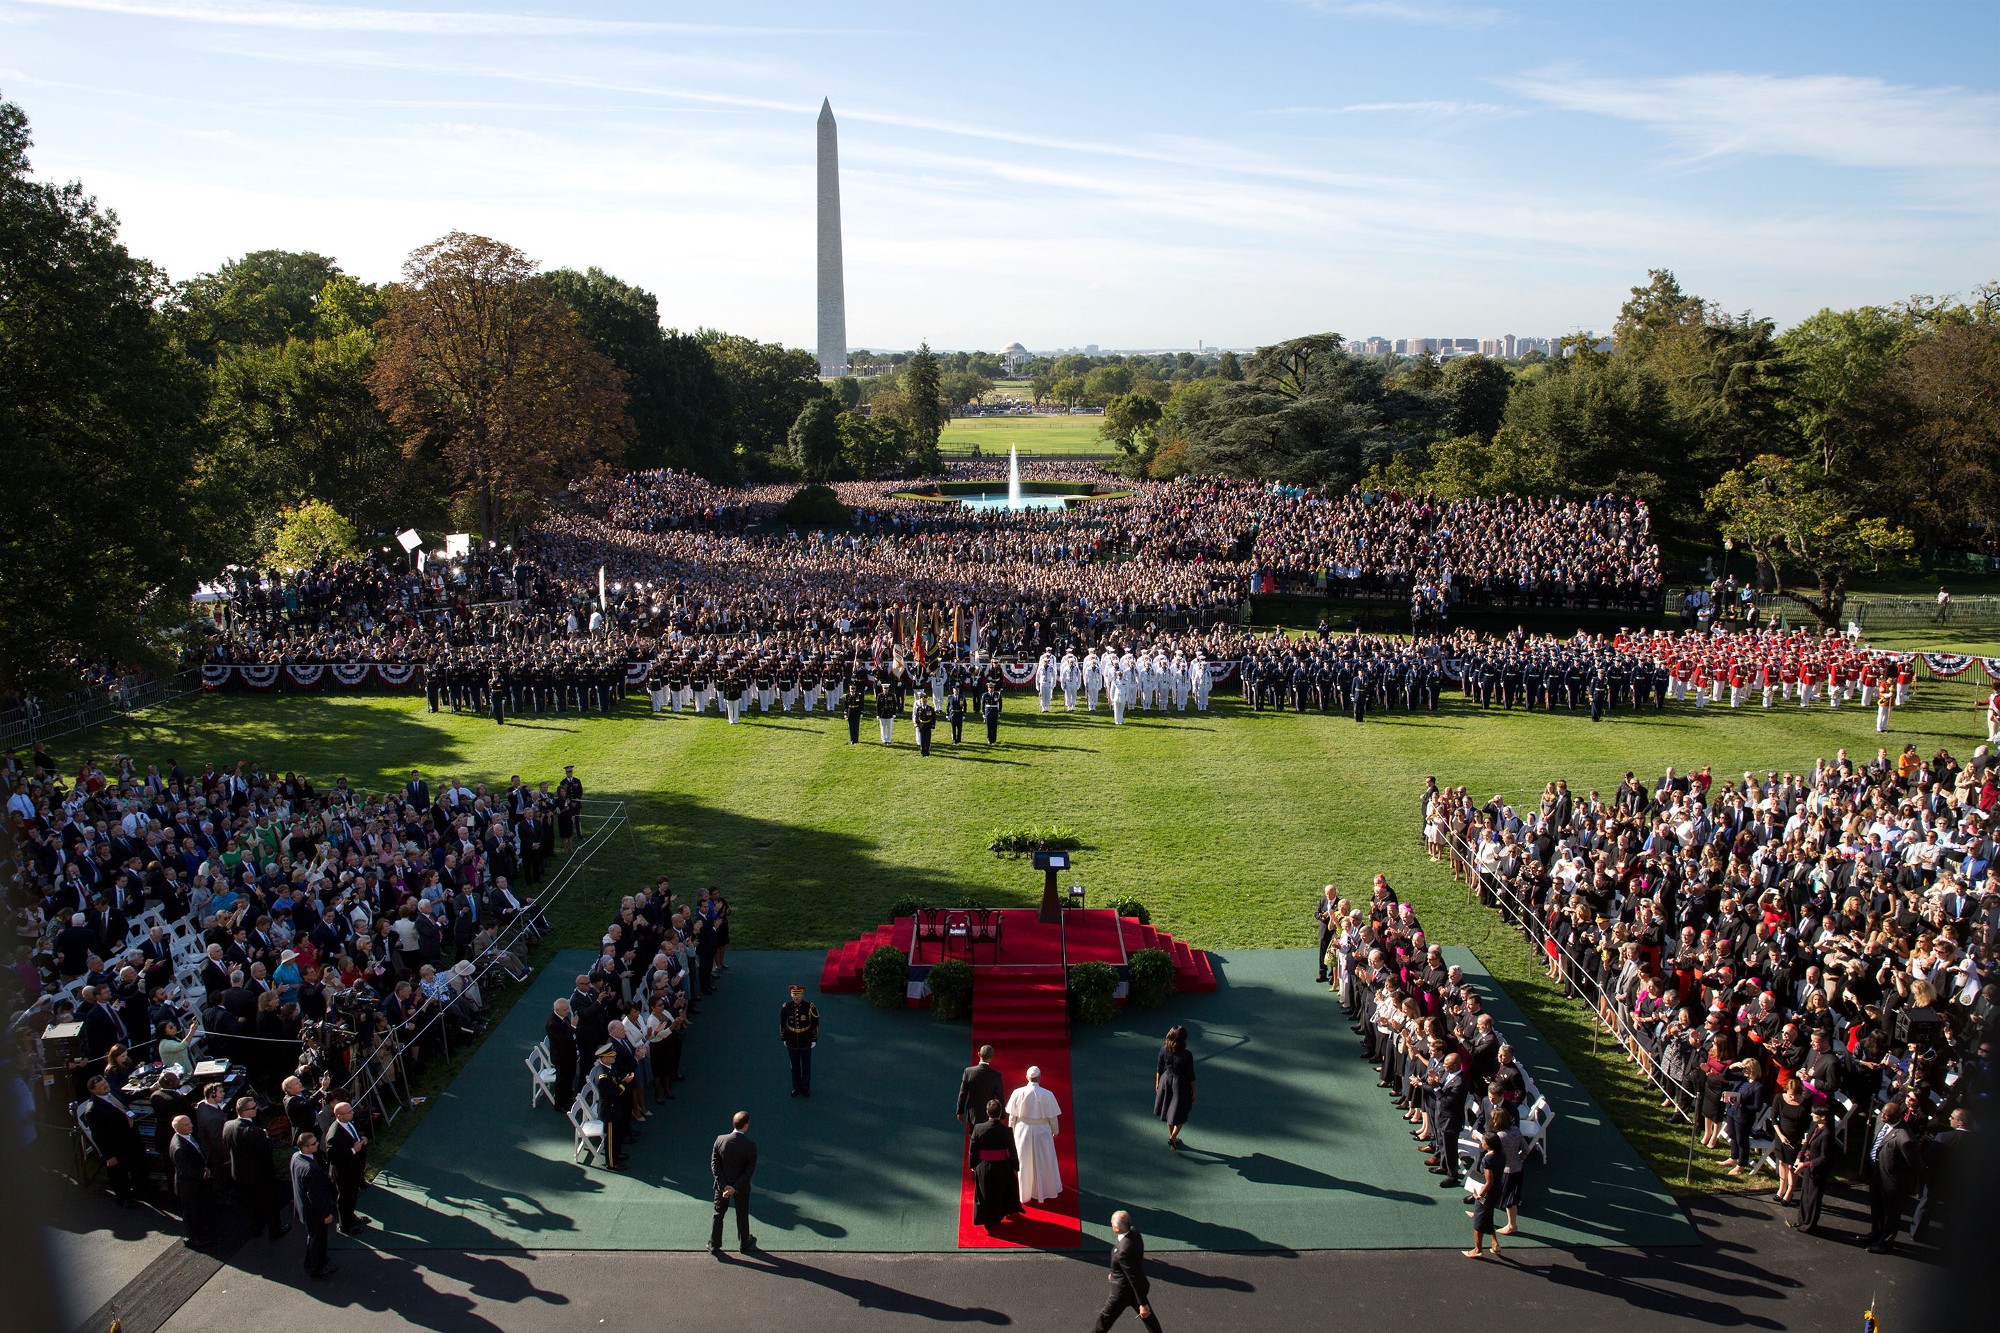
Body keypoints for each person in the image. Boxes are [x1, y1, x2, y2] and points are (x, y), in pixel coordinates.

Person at [222, 1095, 288, 1240]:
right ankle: (275, 1231)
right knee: (270, 1204)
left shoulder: (228, 1125)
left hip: (239, 1174)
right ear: (245, 1111)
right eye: (253, 1108)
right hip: (260, 1176)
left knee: (250, 1205)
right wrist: (266, 1137)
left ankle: (256, 1229)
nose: (256, 1109)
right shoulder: (254, 1131)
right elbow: (267, 1150)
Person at [1092, 1209, 1162, 1332]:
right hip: (1136, 1291)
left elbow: (1133, 1276)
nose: (1111, 1225)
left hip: (1121, 1292)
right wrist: (1115, 1271)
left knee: (1105, 1318)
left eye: (1112, 1224)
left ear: (1117, 1229)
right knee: (1150, 1320)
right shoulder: (1134, 1233)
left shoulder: (1122, 1253)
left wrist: (1143, 1304)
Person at [79, 1074, 142, 1207]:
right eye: (101, 1086)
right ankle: (123, 1198)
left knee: (135, 1165)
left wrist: (149, 1090)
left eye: (105, 1083)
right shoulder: (93, 1110)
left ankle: (138, 1191)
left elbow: (128, 1098)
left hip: (130, 1137)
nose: (105, 1086)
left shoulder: (112, 1092)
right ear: (93, 1090)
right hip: (116, 1145)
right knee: (119, 1173)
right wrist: (108, 1156)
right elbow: (98, 1135)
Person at [1005, 1066, 1063, 1202]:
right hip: (1042, 1131)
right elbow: (1053, 1118)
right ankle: (1044, 1190)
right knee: (1044, 1161)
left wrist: (1011, 1131)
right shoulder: (1048, 1094)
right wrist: (1056, 1131)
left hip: (1022, 1131)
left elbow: (1012, 1117)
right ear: (1040, 1077)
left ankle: (1025, 1192)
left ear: (1027, 1077)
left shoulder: (1017, 1093)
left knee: (1024, 1162)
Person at [1866, 1100, 1916, 1254]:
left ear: (1896, 1117)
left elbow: (1914, 1163)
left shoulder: (1905, 1137)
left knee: (1890, 1215)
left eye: (1886, 1115)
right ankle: (1876, 1233)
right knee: (1877, 1208)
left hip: (1892, 1182)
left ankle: (1885, 1242)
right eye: (1882, 1113)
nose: (1882, 1116)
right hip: (1877, 1175)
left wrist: (1902, 1181)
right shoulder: (1881, 1124)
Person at [290, 1129, 338, 1280]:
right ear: (305, 1148)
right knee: (318, 1238)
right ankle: (317, 1267)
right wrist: (326, 1214)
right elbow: (315, 1195)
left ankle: (310, 1261)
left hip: (304, 1207)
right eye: (314, 1143)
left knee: (312, 1236)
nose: (317, 1144)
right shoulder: (311, 1169)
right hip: (315, 1212)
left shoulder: (296, 1157)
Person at [709, 1110, 758, 1255]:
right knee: (742, 1214)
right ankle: (744, 1243)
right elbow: (748, 1171)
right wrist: (735, 1187)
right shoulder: (750, 1145)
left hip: (722, 1186)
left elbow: (714, 1165)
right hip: (740, 1187)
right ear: (746, 1125)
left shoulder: (720, 1140)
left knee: (718, 1213)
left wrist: (724, 1185)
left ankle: (714, 1244)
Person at [967, 1098, 1021, 1230]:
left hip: (983, 1166)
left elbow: (973, 1150)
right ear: (1000, 1113)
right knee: (1000, 1191)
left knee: (985, 1193)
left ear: (987, 1112)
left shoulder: (978, 1128)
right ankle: (999, 1214)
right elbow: (1012, 1151)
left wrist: (973, 1165)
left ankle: (987, 1220)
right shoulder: (1007, 1131)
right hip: (1002, 1166)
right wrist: (1015, 1166)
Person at [323, 1100, 370, 1233]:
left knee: (352, 1195)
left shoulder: (347, 1123)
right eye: (349, 1112)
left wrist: (362, 1138)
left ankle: (350, 1216)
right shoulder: (334, 1134)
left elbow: (354, 1135)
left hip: (353, 1169)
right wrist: (353, 1151)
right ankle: (345, 1226)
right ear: (340, 1115)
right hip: (343, 1173)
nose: (353, 1112)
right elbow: (333, 1157)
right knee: (345, 1199)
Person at [1790, 1100, 1835, 1234]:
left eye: (1814, 1113)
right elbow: (1806, 1144)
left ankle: (1809, 1224)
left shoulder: (1827, 1134)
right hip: (1809, 1166)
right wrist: (1799, 1157)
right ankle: (1802, 1220)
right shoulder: (1815, 1127)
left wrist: (1805, 1164)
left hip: (1818, 1169)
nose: (1811, 1115)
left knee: (1814, 1197)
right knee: (1805, 1194)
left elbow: (1824, 1158)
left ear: (1823, 1117)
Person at [169, 1113, 213, 1249]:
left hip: (195, 1182)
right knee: (191, 1212)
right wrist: (203, 1173)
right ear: (178, 1128)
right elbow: (187, 1170)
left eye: (190, 1123)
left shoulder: (186, 1137)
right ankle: (191, 1238)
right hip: (188, 1186)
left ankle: (199, 1231)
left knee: (197, 1209)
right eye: (187, 1125)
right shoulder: (179, 1148)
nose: (191, 1126)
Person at [1153, 1025, 1195, 1150]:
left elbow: (1159, 1068)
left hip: (1165, 1081)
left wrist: (1157, 1082)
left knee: (1167, 1111)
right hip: (1180, 1084)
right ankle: (1173, 1138)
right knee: (1181, 1112)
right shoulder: (1187, 1055)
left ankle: (1173, 1137)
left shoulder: (1163, 1050)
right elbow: (1191, 1075)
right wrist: (1194, 1091)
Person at [1465, 1130, 1503, 1259]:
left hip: (1487, 1194)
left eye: (1483, 1142)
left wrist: (1479, 1195)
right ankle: (1494, 1243)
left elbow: (1489, 1181)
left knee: (1478, 1221)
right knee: (1488, 1216)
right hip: (1497, 1191)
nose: (1482, 1143)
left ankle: (1477, 1249)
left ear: (1489, 1144)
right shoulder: (1501, 1155)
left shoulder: (1488, 1159)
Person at [780, 983, 820, 1097]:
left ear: (802, 995)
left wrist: (814, 1039)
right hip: (791, 1040)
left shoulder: (810, 1007)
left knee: (806, 1066)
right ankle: (796, 1087)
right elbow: (782, 1023)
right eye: (793, 996)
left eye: (797, 996)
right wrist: (783, 1037)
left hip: (806, 1040)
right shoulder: (786, 1007)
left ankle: (805, 1088)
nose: (795, 998)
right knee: (794, 1065)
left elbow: (815, 1024)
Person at [956, 1044, 1004, 1133]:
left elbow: (963, 1093)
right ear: (991, 1057)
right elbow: (1000, 1096)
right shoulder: (996, 1075)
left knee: (974, 1138)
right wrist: (1001, 1115)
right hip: (990, 1114)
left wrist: (960, 1111)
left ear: (979, 1054)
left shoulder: (968, 1072)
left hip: (973, 1114)